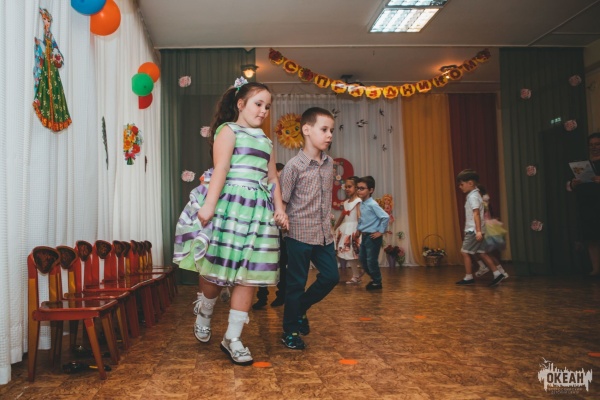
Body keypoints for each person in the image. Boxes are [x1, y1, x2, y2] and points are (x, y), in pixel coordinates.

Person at [173, 78, 288, 366]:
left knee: (249, 275)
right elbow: (221, 168)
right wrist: (210, 205)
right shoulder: (228, 130)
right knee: (215, 271)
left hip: (258, 212)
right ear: (240, 104)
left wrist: (279, 208)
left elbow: (272, 177)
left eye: (267, 106)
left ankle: (233, 337)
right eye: (258, 104)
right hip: (230, 206)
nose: (263, 111)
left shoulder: (266, 140)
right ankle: (205, 310)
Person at [279, 107, 339, 350]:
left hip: (324, 235)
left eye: (331, 130)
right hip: (298, 235)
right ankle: (290, 331)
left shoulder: (330, 163)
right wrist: (281, 218)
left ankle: (301, 307)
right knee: (296, 284)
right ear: (306, 130)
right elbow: (282, 201)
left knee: (331, 277)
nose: (329, 135)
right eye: (324, 129)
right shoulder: (294, 166)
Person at [455, 169, 506, 286]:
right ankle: (497, 274)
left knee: (465, 252)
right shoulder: (475, 194)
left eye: (461, 184)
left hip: (473, 230)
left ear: (470, 183)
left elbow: (476, 213)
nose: (460, 187)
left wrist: (478, 231)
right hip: (478, 229)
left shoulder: (473, 196)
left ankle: (468, 277)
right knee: (482, 253)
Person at [253, 163, 288, 309]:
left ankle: (281, 295)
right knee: (262, 264)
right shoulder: (264, 188)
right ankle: (262, 297)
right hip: (264, 231)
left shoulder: (285, 190)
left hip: (280, 233)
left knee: (282, 265)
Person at [33, 8, 72, 132]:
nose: (46, 22)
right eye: (45, 20)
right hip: (45, 66)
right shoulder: (44, 35)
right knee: (44, 87)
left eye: (48, 20)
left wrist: (56, 57)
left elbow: (55, 50)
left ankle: (54, 117)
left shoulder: (50, 36)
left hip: (51, 68)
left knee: (54, 91)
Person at [569, 132, 600, 276]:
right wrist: (573, 184)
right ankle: (596, 269)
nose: (594, 147)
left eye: (597, 144)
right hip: (587, 206)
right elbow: (569, 185)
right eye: (591, 145)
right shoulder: (583, 164)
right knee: (592, 238)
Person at [356, 176, 389, 291]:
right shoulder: (362, 203)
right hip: (365, 235)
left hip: (372, 237)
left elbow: (385, 217)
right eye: (358, 188)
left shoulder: (372, 204)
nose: (359, 190)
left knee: (371, 260)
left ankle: (377, 281)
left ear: (371, 190)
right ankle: (374, 278)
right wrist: (359, 229)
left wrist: (380, 231)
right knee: (362, 259)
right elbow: (364, 219)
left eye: (362, 188)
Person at [473, 185, 509, 279]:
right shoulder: (482, 201)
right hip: (486, 226)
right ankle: (494, 270)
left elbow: (480, 214)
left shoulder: (482, 202)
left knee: (485, 252)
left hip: (485, 227)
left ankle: (500, 272)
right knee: (476, 250)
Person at [333, 176, 364, 284]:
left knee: (356, 253)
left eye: (349, 186)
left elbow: (359, 216)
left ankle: (364, 268)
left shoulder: (358, 201)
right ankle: (356, 276)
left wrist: (359, 229)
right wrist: (335, 227)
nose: (347, 189)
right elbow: (342, 216)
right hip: (346, 230)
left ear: (356, 187)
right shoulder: (346, 202)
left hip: (355, 229)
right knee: (349, 254)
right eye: (345, 187)